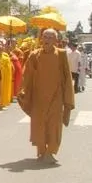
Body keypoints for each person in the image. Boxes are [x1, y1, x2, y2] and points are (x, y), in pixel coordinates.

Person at [18, 29, 75, 164]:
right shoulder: (34, 55)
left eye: (51, 37)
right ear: (41, 39)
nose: (48, 39)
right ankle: (42, 151)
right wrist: (24, 90)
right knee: (39, 125)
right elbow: (27, 75)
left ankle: (51, 152)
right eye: (45, 36)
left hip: (56, 96)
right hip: (39, 97)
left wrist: (68, 97)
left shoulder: (61, 54)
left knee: (54, 125)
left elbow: (67, 76)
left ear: (56, 40)